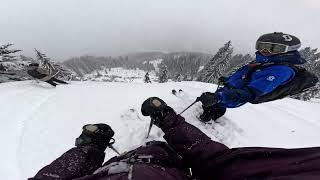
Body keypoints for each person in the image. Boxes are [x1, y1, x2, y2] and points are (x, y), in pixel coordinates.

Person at [30, 97, 320, 180]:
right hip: (161, 160)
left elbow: (53, 176)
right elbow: (217, 160)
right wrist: (169, 120)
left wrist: (88, 149)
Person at [197, 32, 318, 122]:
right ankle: (209, 115)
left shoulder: (281, 71)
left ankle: (207, 119)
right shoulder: (269, 60)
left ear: (288, 50)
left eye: (273, 48)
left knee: (216, 105)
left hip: (235, 96)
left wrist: (219, 97)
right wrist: (228, 81)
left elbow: (250, 93)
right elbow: (247, 74)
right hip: (231, 91)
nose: (264, 50)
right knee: (213, 104)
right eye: (261, 46)